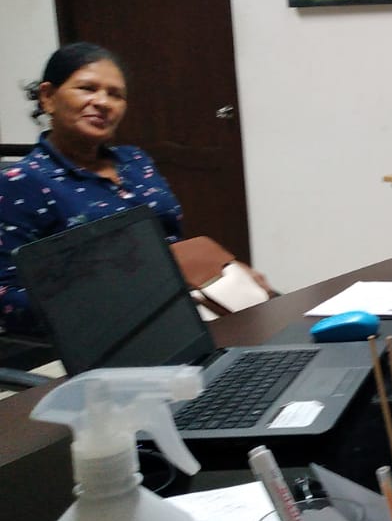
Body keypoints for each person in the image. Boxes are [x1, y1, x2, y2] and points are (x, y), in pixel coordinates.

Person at [0, 42, 263, 336]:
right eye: (87, 88)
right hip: (109, 336)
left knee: (281, 334)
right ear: (48, 97)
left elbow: (171, 243)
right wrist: (107, 300)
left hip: (184, 312)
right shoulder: (21, 181)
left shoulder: (135, 161)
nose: (103, 102)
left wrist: (221, 268)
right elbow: (8, 297)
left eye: (115, 94)